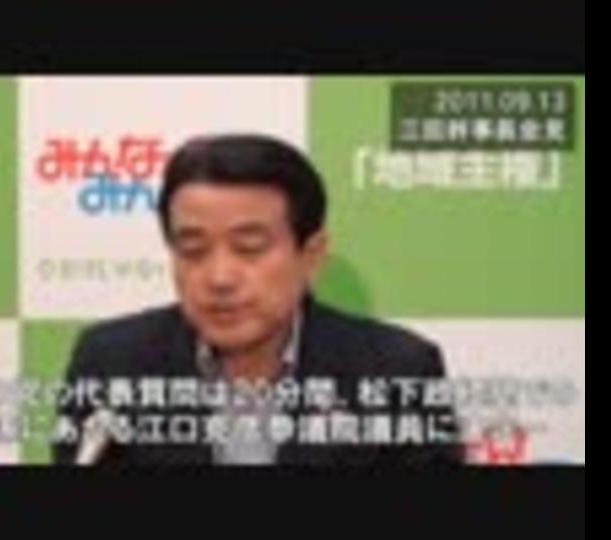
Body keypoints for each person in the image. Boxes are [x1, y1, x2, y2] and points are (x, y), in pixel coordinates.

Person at [53, 133, 465, 466]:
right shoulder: (111, 363)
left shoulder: (399, 372)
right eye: (193, 250)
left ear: (311, 254)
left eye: (249, 248)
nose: (219, 278)